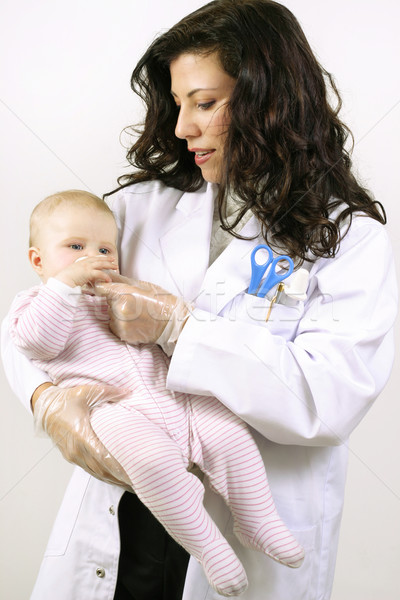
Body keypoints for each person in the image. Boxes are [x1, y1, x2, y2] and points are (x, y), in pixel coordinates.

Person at [0, 1, 397, 599]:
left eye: (205, 103)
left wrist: (182, 330)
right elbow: (37, 313)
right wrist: (44, 397)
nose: (183, 127)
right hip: (125, 514)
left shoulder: (351, 240)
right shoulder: (137, 209)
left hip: (244, 528)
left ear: (272, 100)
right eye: (179, 103)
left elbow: (329, 399)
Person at [8, 189, 305, 597]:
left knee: (227, 433)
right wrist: (64, 289)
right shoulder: (36, 302)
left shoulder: (114, 288)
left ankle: (258, 519)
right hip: (113, 405)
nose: (92, 257)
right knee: (151, 464)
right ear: (38, 261)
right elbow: (35, 344)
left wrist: (171, 318)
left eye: (104, 248)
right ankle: (209, 546)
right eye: (75, 247)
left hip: (172, 388)